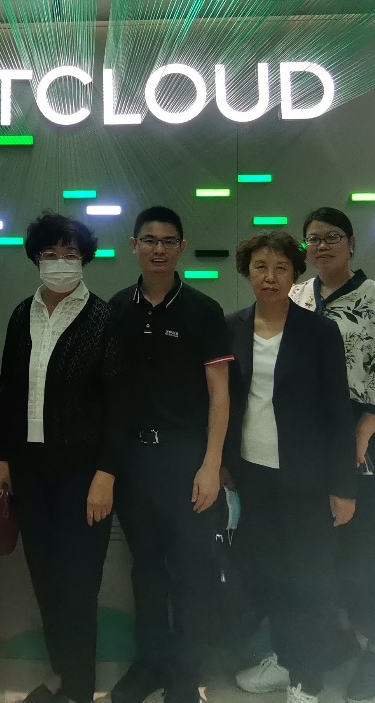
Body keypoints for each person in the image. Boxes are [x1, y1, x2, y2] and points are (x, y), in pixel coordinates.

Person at [106, 206, 233, 703]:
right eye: (149, 240)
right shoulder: (118, 308)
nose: (158, 249)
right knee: (146, 568)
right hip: (135, 463)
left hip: (187, 460)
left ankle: (184, 674)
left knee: (192, 570)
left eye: (167, 241)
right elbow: (112, 394)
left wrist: (211, 465)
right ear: (133, 246)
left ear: (181, 248)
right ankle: (150, 664)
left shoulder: (203, 310)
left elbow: (219, 394)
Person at [226, 231, 357, 703]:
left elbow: (338, 412)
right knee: (270, 573)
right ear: (247, 273)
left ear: (294, 275)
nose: (270, 277)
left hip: (306, 478)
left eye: (281, 268)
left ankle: (307, 678)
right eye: (260, 267)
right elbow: (224, 403)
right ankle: (285, 659)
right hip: (253, 475)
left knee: (309, 578)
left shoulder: (319, 331)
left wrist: (344, 486)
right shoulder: (232, 327)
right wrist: (222, 465)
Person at [288, 207, 375, 701]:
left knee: (368, 551)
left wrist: (358, 439)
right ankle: (331, 643)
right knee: (320, 552)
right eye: (313, 239)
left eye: (332, 237)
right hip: (309, 436)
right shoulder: (297, 294)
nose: (321, 246)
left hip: (367, 434)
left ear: (352, 243)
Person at [0, 213, 116, 703]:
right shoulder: (21, 314)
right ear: (36, 259)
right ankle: (65, 676)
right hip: (31, 470)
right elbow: (11, 389)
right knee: (44, 577)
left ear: (84, 259)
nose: (60, 262)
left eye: (70, 254)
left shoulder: (105, 318)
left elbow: (119, 404)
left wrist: (106, 473)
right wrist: (4, 458)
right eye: (50, 254)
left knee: (79, 583)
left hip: (84, 474)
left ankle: (80, 687)